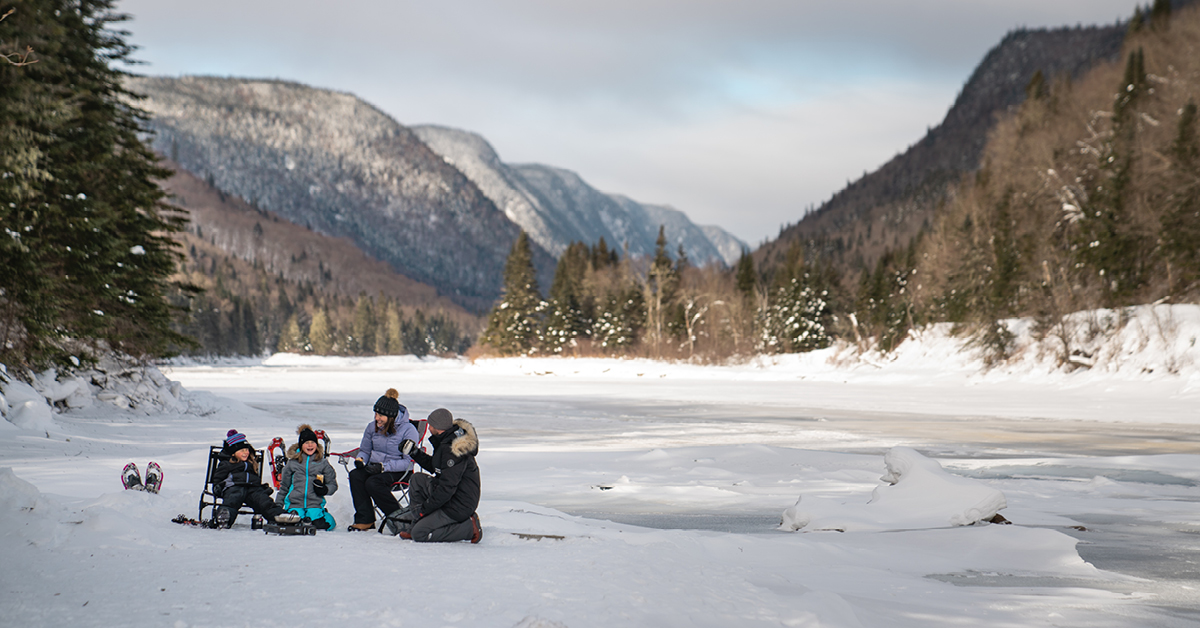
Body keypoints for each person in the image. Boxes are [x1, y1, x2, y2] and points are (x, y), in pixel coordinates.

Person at [386, 408, 482, 543]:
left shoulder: (452, 451)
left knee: (419, 534)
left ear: (439, 427)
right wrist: (414, 452)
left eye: (431, 425)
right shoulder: (446, 440)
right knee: (417, 479)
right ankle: (418, 522)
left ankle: (468, 528)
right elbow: (436, 467)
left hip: (459, 504)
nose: (429, 427)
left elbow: (447, 488)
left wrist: (425, 509)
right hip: (452, 495)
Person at [347, 388, 419, 531]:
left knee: (373, 483)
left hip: (400, 471)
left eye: (380, 415)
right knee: (356, 475)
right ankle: (365, 519)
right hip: (376, 467)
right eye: (376, 413)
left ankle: (399, 518)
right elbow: (365, 450)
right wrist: (361, 460)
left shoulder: (408, 430)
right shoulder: (372, 427)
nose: (376, 418)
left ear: (391, 416)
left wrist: (383, 467)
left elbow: (408, 462)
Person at [212, 431, 299, 528]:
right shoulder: (227, 464)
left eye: (246, 450)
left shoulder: (251, 463)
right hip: (233, 487)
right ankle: (225, 517)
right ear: (233, 453)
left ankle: (278, 515)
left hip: (251, 488)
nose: (246, 453)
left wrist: (261, 487)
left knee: (263, 500)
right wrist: (218, 487)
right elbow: (218, 478)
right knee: (233, 500)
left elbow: (254, 478)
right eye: (242, 451)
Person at [275, 424, 339, 530]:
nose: (310, 445)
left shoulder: (322, 463)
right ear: (301, 445)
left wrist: (325, 489)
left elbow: (332, 485)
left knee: (322, 525)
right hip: (294, 504)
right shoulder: (292, 463)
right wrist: (277, 506)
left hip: (314, 504)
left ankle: (321, 515)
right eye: (306, 443)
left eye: (313, 442)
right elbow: (284, 487)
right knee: (293, 523)